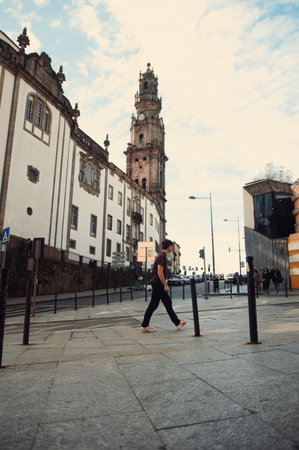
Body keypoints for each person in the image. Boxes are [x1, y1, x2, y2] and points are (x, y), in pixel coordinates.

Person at [141, 239, 188, 333]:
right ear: (169, 246)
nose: (172, 248)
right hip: (158, 283)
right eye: (171, 246)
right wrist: (165, 285)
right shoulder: (162, 256)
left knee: (165, 304)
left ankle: (177, 323)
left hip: (157, 283)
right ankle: (144, 325)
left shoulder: (161, 255)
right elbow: (159, 272)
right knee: (155, 305)